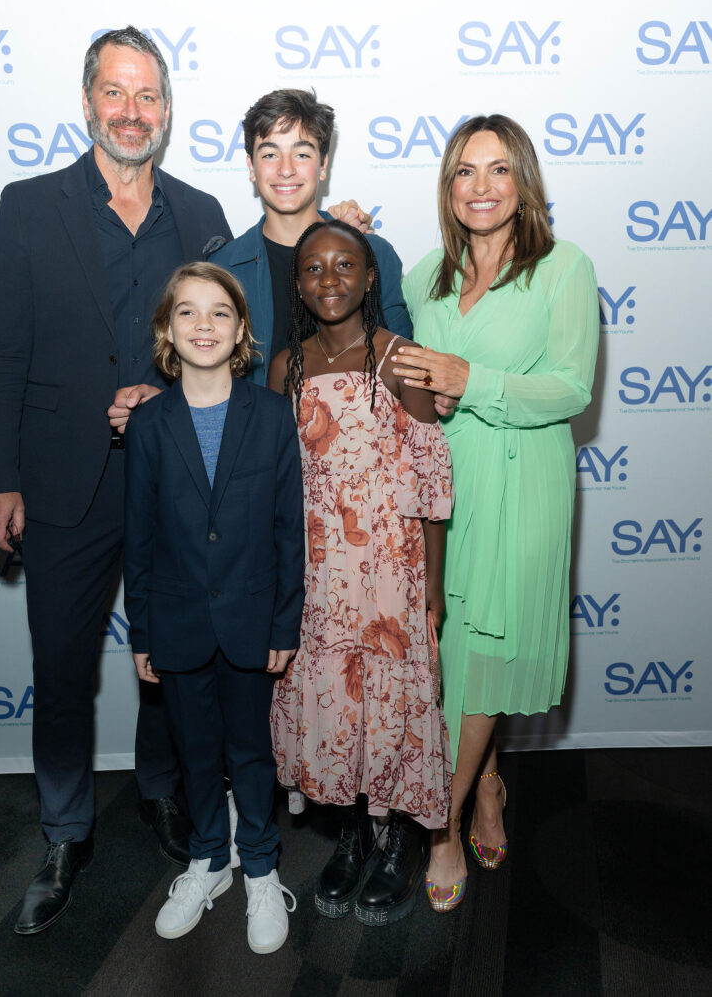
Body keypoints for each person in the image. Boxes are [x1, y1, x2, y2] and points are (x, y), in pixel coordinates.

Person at [0, 27, 234, 935]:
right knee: (60, 669)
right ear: (88, 103)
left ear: (167, 109)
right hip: (58, 481)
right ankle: (63, 829)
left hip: (172, 479)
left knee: (172, 659)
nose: (132, 112)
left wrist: (162, 393)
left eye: (148, 96)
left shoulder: (201, 214)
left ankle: (163, 794)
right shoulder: (30, 204)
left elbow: (230, 344)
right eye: (115, 94)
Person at [392, 114, 599, 911]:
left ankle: (440, 828)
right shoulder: (426, 277)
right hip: (446, 490)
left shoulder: (561, 268)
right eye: (463, 173)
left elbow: (573, 388)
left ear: (523, 183)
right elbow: (368, 315)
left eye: (497, 170)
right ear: (447, 189)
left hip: (526, 486)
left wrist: (470, 378)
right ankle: (488, 785)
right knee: (450, 657)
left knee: (485, 656)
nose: (479, 187)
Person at [268, 220, 453, 926]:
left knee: (393, 706)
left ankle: (396, 839)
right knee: (332, 709)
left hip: (389, 572)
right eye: (313, 269)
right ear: (298, 284)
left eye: (345, 265)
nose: (329, 280)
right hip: (316, 571)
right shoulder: (285, 364)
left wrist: (431, 587)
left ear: (371, 277)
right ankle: (348, 833)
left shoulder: (399, 358)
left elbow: (432, 483)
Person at [123, 262, 304, 954]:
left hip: (253, 619)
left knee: (250, 751)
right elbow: (138, 538)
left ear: (240, 330)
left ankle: (259, 865)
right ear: (168, 330)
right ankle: (208, 860)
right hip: (175, 621)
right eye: (188, 313)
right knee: (194, 751)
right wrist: (141, 629)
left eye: (219, 312)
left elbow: (289, 528)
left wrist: (284, 620)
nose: (204, 325)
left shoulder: (268, 415)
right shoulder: (148, 425)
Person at [211, 88, 412, 384]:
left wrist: (436, 390)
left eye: (301, 154)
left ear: (323, 165)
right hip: (256, 430)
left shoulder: (374, 254)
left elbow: (407, 367)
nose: (286, 169)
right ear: (251, 167)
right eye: (270, 154)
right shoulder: (222, 268)